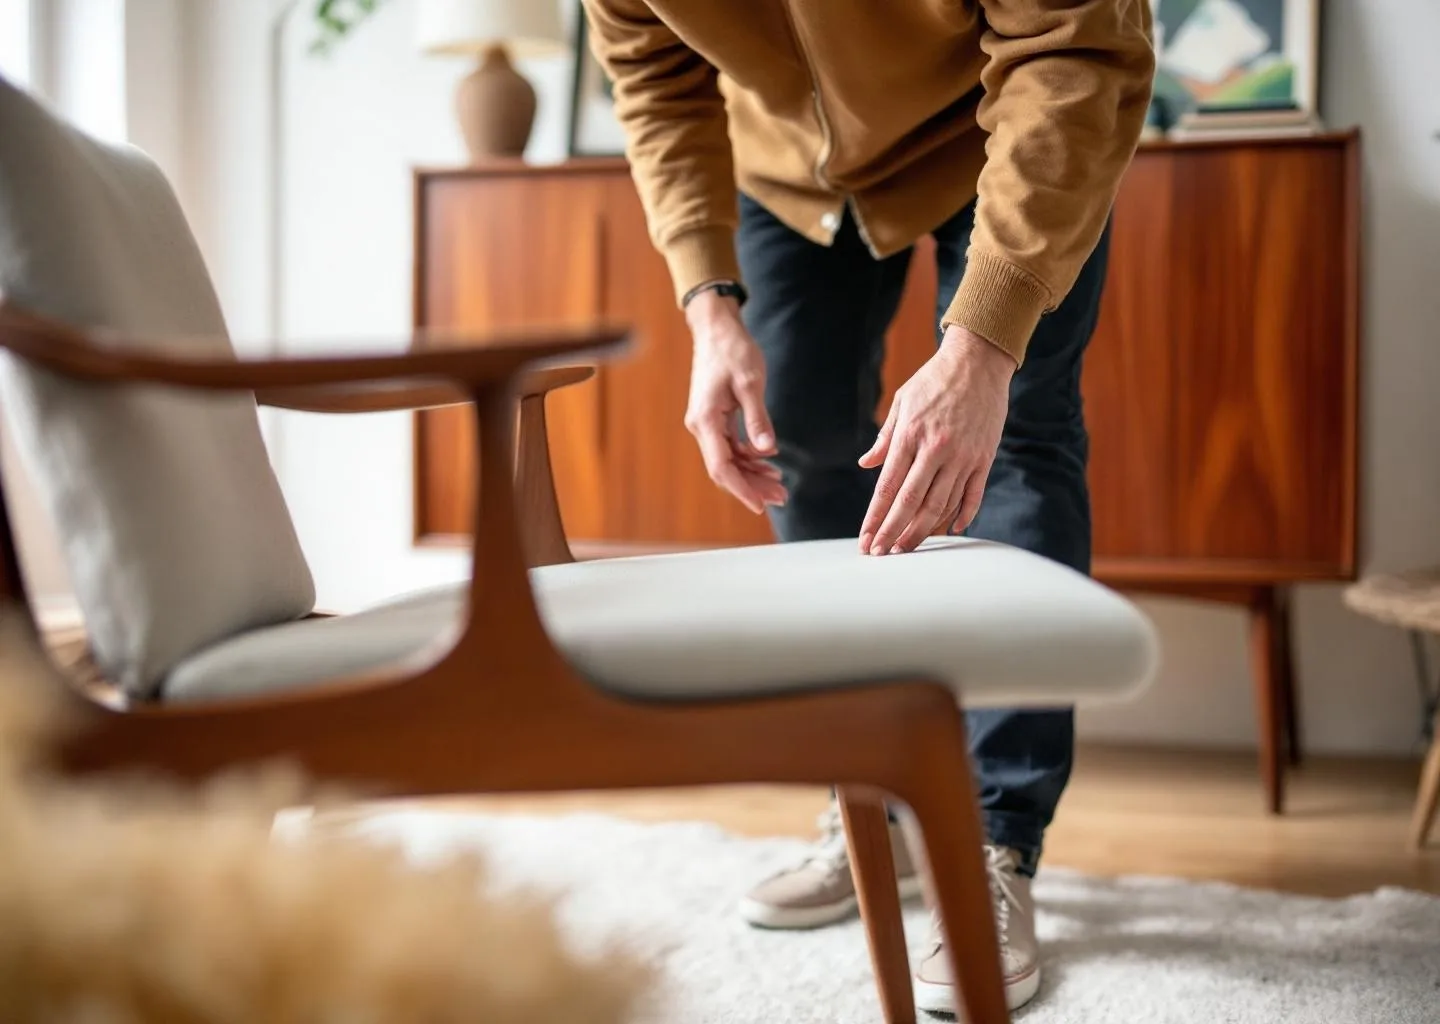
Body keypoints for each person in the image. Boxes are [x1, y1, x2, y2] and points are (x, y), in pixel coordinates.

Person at [580, 0, 1155, 1014]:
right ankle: (870, 807)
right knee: (793, 432)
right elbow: (658, 79)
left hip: (1010, 120)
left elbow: (1071, 51)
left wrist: (981, 345)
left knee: (1016, 431)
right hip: (790, 169)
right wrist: (706, 303)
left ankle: (996, 838)